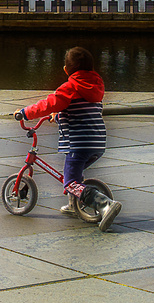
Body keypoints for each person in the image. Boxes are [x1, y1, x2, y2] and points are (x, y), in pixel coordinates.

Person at [13, 46, 122, 231]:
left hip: (79, 144)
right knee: (74, 175)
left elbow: (47, 104)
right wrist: (60, 114)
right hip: (97, 143)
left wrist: (24, 113)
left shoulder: (70, 87)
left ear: (66, 70)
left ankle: (104, 204)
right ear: (92, 69)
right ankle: (74, 206)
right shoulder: (95, 85)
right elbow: (78, 108)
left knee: (70, 182)